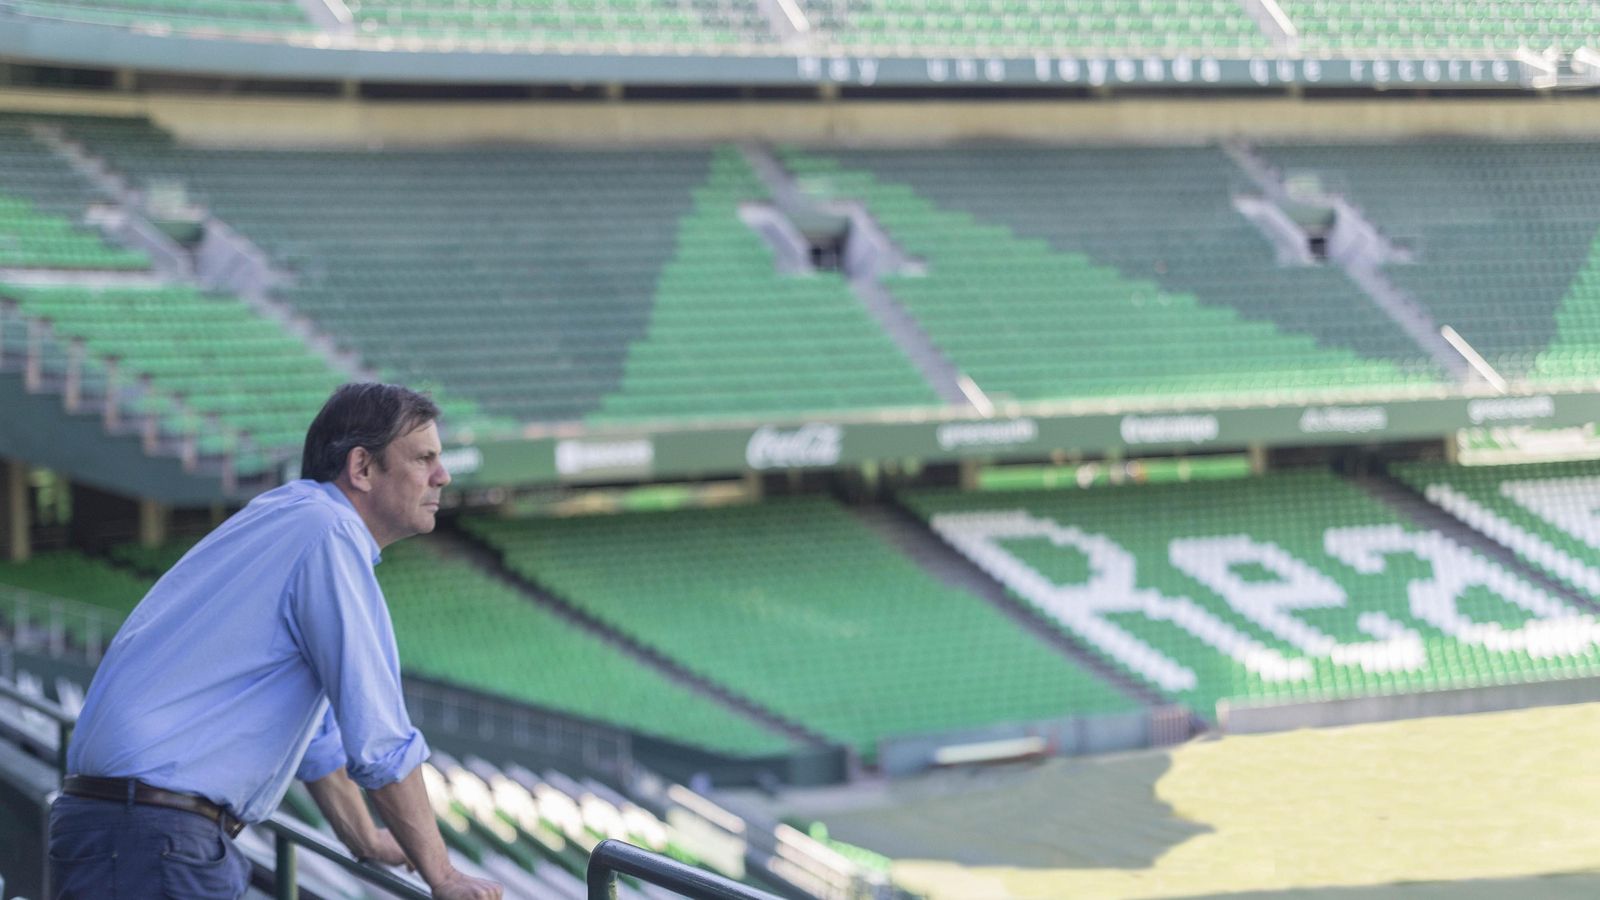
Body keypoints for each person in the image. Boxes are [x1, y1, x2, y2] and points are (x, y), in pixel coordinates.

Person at [49, 383, 502, 900]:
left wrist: (364, 839)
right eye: (424, 459)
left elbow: (317, 739)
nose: (442, 475)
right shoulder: (329, 532)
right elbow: (380, 737)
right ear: (362, 468)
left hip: (120, 828)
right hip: (156, 839)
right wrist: (442, 874)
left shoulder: (290, 517)